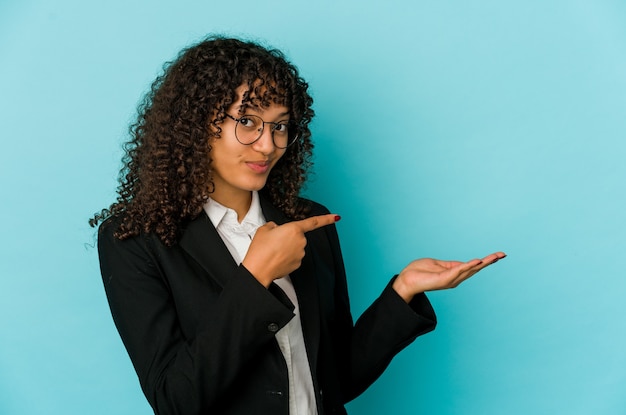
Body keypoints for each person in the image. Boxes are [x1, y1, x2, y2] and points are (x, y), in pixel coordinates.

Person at [91, 35, 505, 415]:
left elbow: (336, 379)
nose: (268, 145)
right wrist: (256, 277)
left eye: (280, 125)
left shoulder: (309, 221)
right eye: (248, 121)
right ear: (196, 124)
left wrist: (402, 293)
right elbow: (176, 400)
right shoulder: (134, 239)